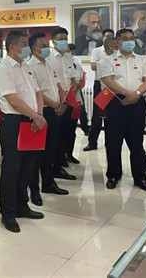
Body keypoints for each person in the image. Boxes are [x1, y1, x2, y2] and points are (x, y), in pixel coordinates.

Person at [0, 30, 46, 233]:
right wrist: (35, 116)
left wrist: (38, 115)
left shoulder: (27, 67)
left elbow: (38, 92)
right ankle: (8, 213)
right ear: (13, 47)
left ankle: (22, 205)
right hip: (14, 122)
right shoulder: (4, 68)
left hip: (32, 120)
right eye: (24, 44)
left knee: (28, 166)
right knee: (12, 168)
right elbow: (12, 99)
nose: (27, 48)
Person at [99, 28, 146, 192]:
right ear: (117, 41)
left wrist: (135, 95)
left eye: (131, 38)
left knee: (137, 142)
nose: (129, 41)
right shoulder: (107, 60)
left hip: (137, 103)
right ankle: (113, 175)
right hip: (116, 103)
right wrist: (127, 94)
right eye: (125, 38)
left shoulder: (142, 60)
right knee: (113, 142)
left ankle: (140, 177)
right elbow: (108, 81)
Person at [27, 33, 69, 206]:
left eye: (47, 45)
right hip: (41, 111)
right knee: (36, 154)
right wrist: (54, 105)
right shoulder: (30, 66)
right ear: (33, 48)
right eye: (43, 45)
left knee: (50, 150)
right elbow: (36, 91)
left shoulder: (50, 63)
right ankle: (34, 190)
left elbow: (58, 85)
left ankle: (48, 183)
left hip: (55, 110)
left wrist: (62, 102)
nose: (46, 48)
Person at [49, 28, 79, 178]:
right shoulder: (49, 57)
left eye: (65, 39)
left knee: (65, 133)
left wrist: (72, 95)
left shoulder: (68, 57)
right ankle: (53, 165)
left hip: (68, 100)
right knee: (54, 135)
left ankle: (60, 161)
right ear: (53, 40)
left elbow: (73, 78)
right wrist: (61, 99)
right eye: (60, 39)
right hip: (55, 101)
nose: (63, 42)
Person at [84, 33, 116, 151]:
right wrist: (106, 63)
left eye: (112, 37)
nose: (109, 39)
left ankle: (110, 143)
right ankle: (92, 142)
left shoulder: (117, 53)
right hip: (100, 85)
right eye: (107, 37)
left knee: (111, 116)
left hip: (114, 86)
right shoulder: (97, 51)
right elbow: (93, 66)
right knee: (97, 115)